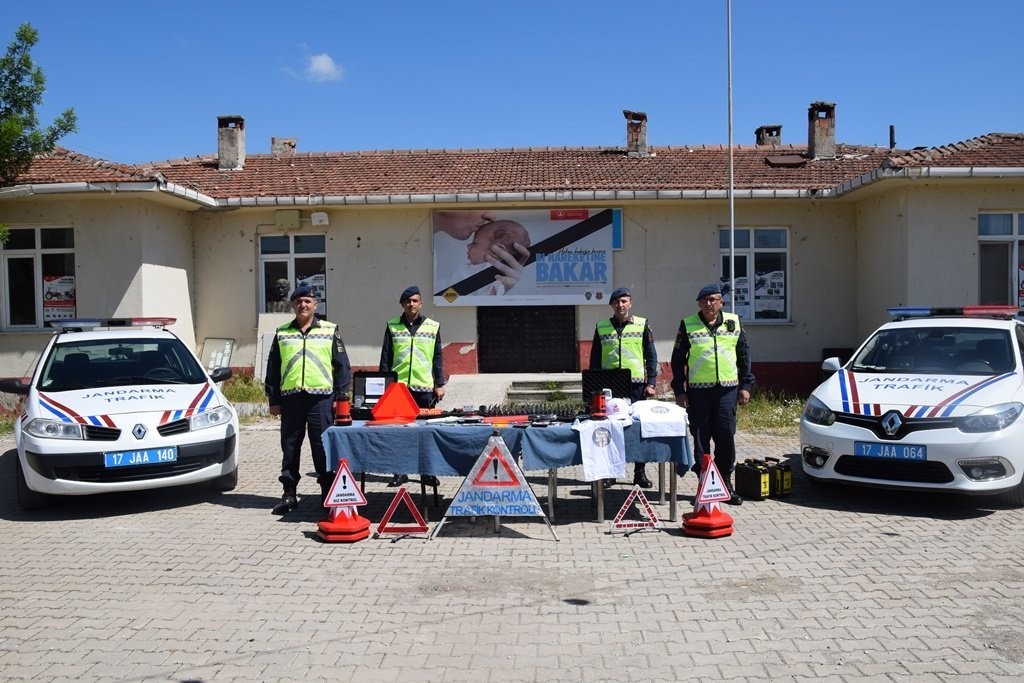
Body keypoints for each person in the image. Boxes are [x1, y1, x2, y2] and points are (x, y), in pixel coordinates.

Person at [265, 285, 352, 515]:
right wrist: (273, 398)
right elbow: (273, 367)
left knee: (322, 448)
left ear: (315, 304)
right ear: (293, 305)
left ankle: (327, 493)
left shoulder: (329, 330)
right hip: (291, 399)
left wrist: (341, 396)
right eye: (298, 301)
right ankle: (289, 494)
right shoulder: (282, 332)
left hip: (321, 399)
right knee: (290, 447)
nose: (303, 305)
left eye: (307, 301)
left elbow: (342, 366)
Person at [670, 283, 754, 506]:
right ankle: (704, 483)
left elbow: (744, 356)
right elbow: (677, 361)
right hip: (698, 392)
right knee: (700, 438)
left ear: (721, 302)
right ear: (699, 303)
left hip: (727, 389)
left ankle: (725, 482)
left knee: (726, 435)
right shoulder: (688, 324)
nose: (709, 304)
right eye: (705, 300)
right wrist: (680, 390)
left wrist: (746, 385)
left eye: (713, 299)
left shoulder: (733, 322)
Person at [588, 286, 658, 488]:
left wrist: (651, 382)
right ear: (611, 305)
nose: (620, 305)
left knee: (637, 428)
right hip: (610, 386)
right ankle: (610, 473)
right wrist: (594, 389)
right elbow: (594, 360)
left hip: (636, 384)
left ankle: (640, 472)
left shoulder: (642, 325)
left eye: (624, 301)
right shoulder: (601, 327)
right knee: (609, 429)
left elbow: (651, 355)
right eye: (617, 302)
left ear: (630, 303)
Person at [379, 285, 445, 488]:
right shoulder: (392, 326)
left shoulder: (432, 326)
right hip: (399, 388)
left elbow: (437, 357)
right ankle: (400, 472)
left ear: (420, 303)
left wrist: (439, 383)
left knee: (425, 432)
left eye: (415, 300)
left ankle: (427, 473)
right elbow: (386, 357)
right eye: (407, 301)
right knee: (399, 432)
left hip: (424, 387)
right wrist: (384, 385)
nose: (411, 304)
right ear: (402, 304)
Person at [433, 211, 531, 294]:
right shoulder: (477, 271)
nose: (491, 215)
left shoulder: (492, 275)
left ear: (497, 251)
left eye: (475, 243)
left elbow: (448, 297)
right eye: (478, 201)